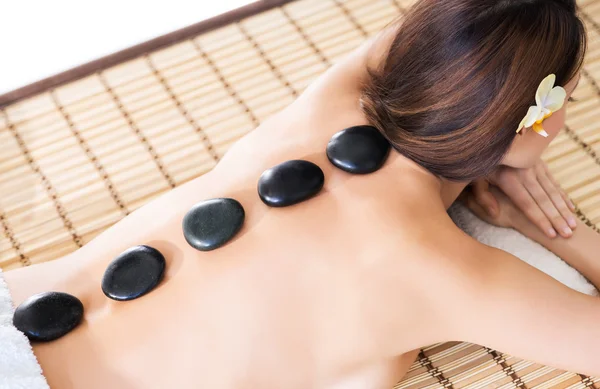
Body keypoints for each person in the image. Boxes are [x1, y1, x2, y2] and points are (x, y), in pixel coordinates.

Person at [2, 0, 599, 388]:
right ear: (535, 119)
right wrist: (555, 230)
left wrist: (481, 139)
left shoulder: (330, 100)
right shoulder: (441, 269)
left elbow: (430, 35)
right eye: (564, 100)